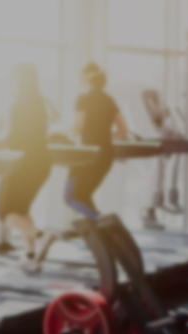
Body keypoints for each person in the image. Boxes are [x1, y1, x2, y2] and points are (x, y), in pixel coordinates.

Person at [0, 64, 57, 274]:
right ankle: (31, 257)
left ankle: (41, 236)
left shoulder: (16, 104)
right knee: (22, 211)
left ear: (18, 80)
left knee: (5, 213)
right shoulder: (40, 103)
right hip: (42, 163)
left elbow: (10, 137)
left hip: (23, 163)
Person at [63, 63, 131, 222]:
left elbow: (78, 128)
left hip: (87, 156)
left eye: (80, 74)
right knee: (84, 196)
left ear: (87, 77)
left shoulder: (83, 98)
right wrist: (103, 137)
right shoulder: (109, 99)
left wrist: (56, 133)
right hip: (106, 155)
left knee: (71, 197)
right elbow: (123, 130)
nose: (78, 78)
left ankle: (103, 224)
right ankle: (102, 234)